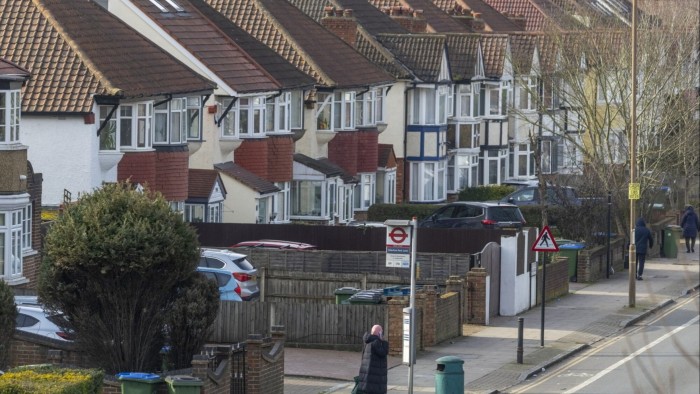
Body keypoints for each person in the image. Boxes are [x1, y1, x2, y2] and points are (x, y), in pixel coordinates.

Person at [357, 324, 389, 394]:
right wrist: (383, 341)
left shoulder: (367, 341)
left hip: (367, 376)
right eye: (381, 331)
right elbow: (383, 352)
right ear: (379, 332)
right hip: (375, 378)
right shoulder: (376, 342)